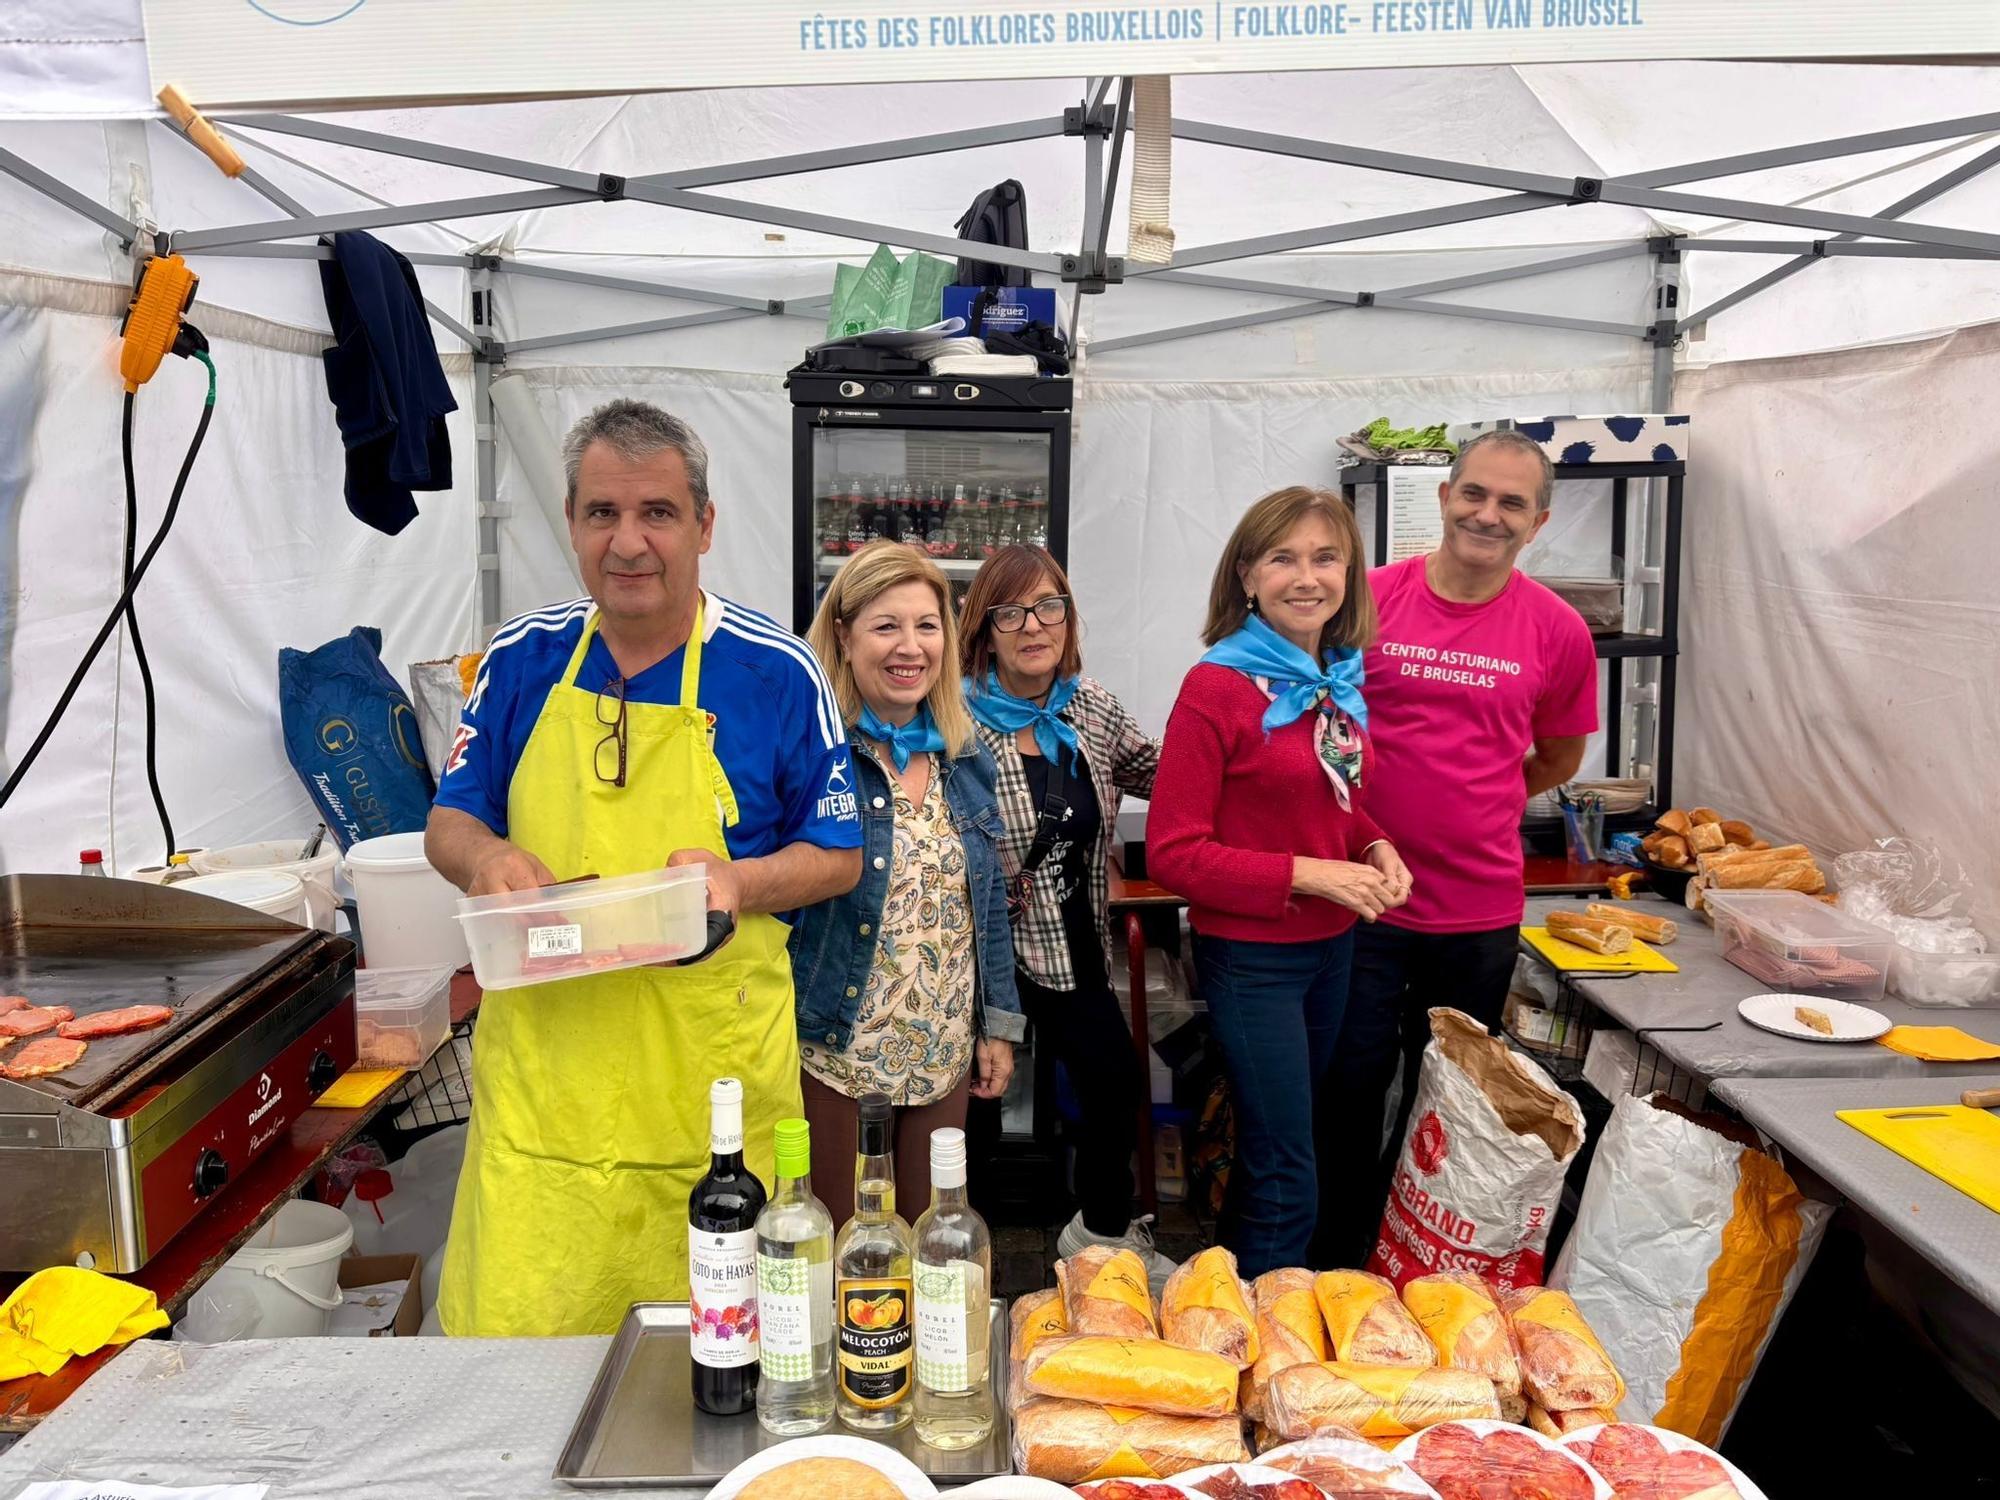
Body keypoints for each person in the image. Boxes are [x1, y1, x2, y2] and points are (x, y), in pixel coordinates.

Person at [425, 399, 862, 1335]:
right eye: (601, 514)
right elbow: (448, 820)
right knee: (521, 1384)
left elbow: (839, 854)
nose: (629, 542)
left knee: (726, 1371)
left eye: (657, 513)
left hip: (711, 1104)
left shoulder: (778, 672)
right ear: (573, 524)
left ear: (702, 524)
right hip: (546, 1110)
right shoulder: (517, 661)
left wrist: (741, 883)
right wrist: (488, 856)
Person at [1322, 429, 1598, 1269]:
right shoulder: (1364, 601)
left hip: (1476, 912)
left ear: (1538, 521)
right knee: (1347, 1089)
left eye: (1512, 502)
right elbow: (1318, 724)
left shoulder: (1558, 630)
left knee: (1452, 1102)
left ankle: (1413, 1264)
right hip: (1363, 899)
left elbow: (1558, 756)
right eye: (1474, 493)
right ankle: (1334, 1261)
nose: (1488, 514)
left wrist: (1478, 805)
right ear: (1443, 497)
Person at [1148, 487, 1411, 1278]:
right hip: (1253, 960)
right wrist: (1310, 875)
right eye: (1284, 558)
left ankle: (1227, 1306)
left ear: (1350, 574)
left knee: (1279, 1149)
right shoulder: (1217, 686)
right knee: (1289, 1170)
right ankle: (1269, 1361)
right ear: (1247, 576)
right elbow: (1173, 852)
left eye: (1326, 557)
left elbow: (1340, 802)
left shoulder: (1332, 678)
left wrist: (1374, 845)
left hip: (1331, 953)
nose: (1308, 576)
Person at [790, 540, 1025, 1227]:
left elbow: (985, 906)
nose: (910, 647)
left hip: (940, 1052)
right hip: (832, 1046)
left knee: (932, 1242)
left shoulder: (963, 748)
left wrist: (997, 1027)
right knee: (839, 1245)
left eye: (926, 626)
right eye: (886, 626)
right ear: (844, 633)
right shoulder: (816, 749)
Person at [959, 545, 1166, 1283]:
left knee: (1112, 1084)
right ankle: (964, 1257)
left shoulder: (1091, 708)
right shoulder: (957, 726)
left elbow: (1165, 773)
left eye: (1049, 606)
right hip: (982, 959)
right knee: (976, 1108)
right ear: (984, 632)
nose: (1032, 626)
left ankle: (1100, 1236)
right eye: (1009, 612)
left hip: (1070, 944)